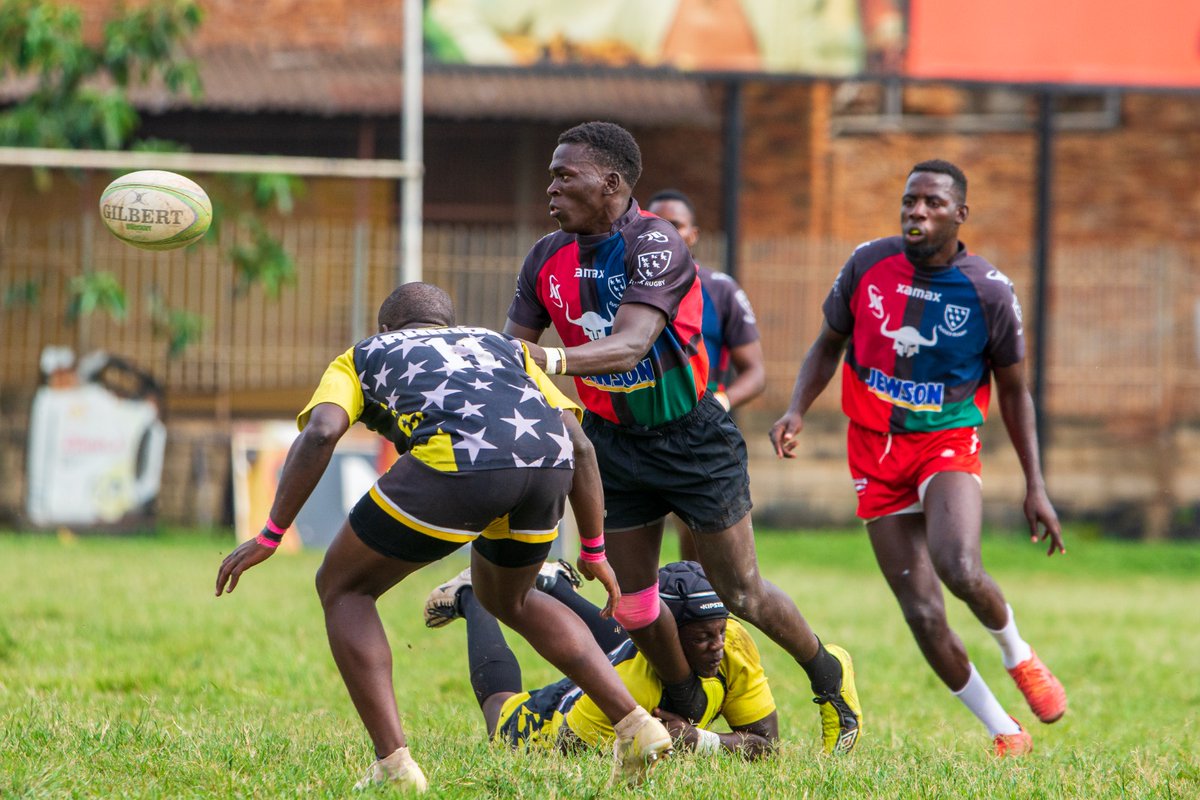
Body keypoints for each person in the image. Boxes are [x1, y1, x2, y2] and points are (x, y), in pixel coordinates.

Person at [215, 282, 673, 791]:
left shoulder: (363, 354)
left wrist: (272, 533)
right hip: (548, 466)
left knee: (344, 588)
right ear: (448, 324)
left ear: (386, 328)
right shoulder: (504, 345)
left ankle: (393, 766)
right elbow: (582, 446)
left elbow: (322, 431)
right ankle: (634, 724)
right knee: (511, 599)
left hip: (460, 464)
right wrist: (592, 549)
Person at [503, 120, 861, 755]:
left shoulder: (656, 244)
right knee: (634, 601)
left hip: (692, 437)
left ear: (610, 182)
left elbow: (632, 344)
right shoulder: (544, 256)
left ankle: (829, 674)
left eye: (565, 175)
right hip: (612, 443)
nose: (550, 187)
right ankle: (683, 696)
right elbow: (514, 350)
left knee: (741, 592)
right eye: (550, 175)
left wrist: (548, 363)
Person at [769, 159, 1068, 757]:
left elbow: (1014, 390)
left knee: (958, 566)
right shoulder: (866, 264)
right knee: (923, 612)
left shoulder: (988, 291)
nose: (917, 212)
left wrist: (1036, 485)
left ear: (960, 215)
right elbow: (827, 345)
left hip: (945, 440)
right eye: (910, 201)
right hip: (872, 450)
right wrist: (797, 409)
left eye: (932, 203)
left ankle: (1018, 653)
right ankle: (1004, 732)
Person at [425, 560, 779, 759]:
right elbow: (568, 753)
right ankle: (473, 593)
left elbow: (768, 746)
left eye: (719, 630)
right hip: (559, 716)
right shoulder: (632, 683)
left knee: (635, 634)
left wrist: (697, 741)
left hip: (633, 659)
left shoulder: (734, 644)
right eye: (703, 637)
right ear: (673, 635)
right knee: (499, 714)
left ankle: (554, 585)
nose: (718, 645)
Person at [646, 188, 766, 563]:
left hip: (698, 431)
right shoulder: (622, 286)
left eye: (676, 225)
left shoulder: (720, 289)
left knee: (700, 557)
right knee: (635, 562)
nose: (665, 233)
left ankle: (701, 614)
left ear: (693, 234)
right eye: (656, 225)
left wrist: (722, 401)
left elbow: (755, 372)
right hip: (636, 432)